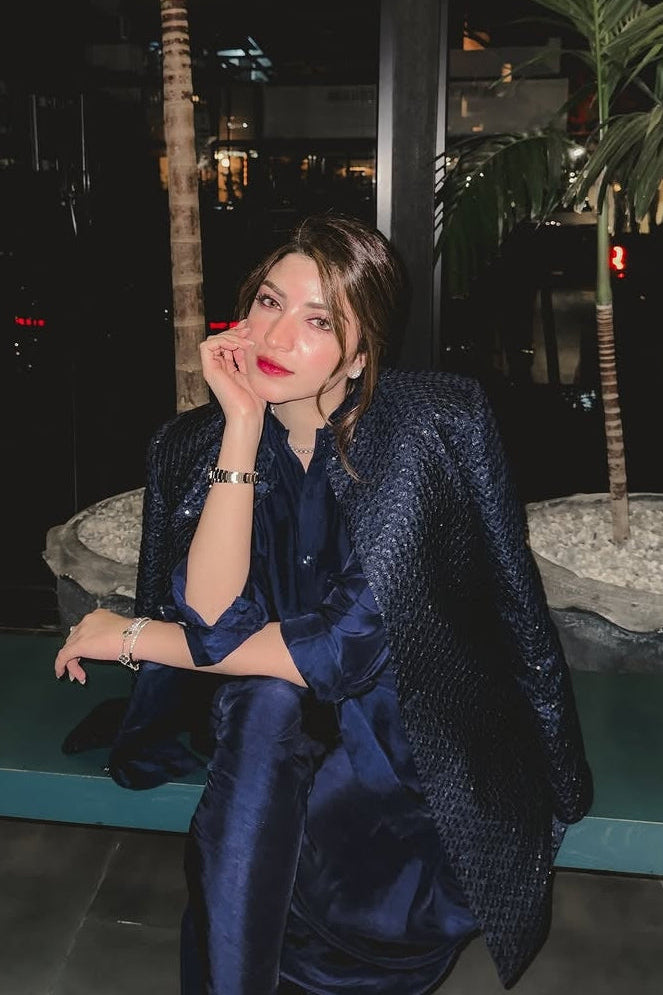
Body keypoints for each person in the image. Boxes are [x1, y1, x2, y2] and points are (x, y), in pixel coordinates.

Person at [55, 214, 592, 995]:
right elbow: (214, 623)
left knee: (268, 710)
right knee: (264, 705)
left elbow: (339, 652)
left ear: (362, 352)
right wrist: (241, 429)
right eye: (269, 302)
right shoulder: (194, 443)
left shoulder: (418, 437)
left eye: (320, 321)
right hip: (268, 722)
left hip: (402, 740)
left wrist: (133, 634)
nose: (277, 334)